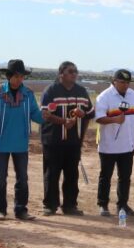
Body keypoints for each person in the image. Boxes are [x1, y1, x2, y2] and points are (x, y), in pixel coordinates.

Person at [0, 59, 48, 221]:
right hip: (1, 142)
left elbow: (35, 114)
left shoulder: (28, 94)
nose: (20, 79)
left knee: (22, 178)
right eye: (17, 76)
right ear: (9, 76)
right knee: (0, 178)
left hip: (21, 142)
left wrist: (44, 116)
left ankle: (21, 210)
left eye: (22, 76)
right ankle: (0, 210)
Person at [39, 61, 95, 216]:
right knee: (52, 173)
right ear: (61, 73)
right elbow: (45, 115)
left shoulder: (82, 91)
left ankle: (70, 205)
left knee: (71, 174)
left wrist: (82, 115)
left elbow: (90, 114)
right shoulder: (51, 91)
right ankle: (50, 205)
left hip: (73, 142)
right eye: (71, 71)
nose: (74, 74)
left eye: (76, 71)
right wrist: (64, 121)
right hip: (53, 140)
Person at [95, 69, 134, 217]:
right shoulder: (104, 97)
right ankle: (103, 204)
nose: (125, 85)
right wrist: (114, 119)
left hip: (128, 144)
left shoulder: (133, 95)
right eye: (122, 82)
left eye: (127, 82)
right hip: (109, 145)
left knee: (125, 177)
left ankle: (123, 205)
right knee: (106, 176)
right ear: (114, 81)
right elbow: (99, 118)